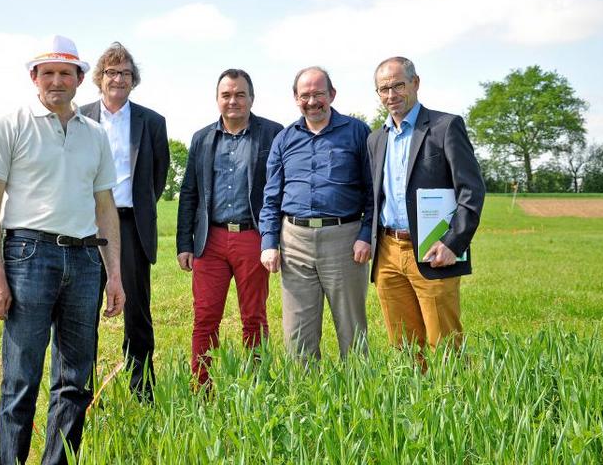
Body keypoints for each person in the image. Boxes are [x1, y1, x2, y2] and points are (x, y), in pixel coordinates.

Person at [0, 35, 125, 465]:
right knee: (21, 380)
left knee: (75, 380)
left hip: (83, 261)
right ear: (34, 77)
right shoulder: (11, 125)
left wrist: (113, 274)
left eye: (65, 72)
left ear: (80, 79)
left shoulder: (95, 135)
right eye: (48, 73)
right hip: (28, 256)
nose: (56, 81)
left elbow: (105, 208)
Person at [367, 56, 485, 360]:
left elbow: (471, 191)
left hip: (434, 251)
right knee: (404, 347)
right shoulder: (375, 139)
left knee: (445, 346)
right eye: (383, 89)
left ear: (415, 83)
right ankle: (415, 404)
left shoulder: (445, 127)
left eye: (398, 86)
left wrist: (452, 243)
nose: (391, 95)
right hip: (388, 254)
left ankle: (455, 402)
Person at [176, 69, 283, 387]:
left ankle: (258, 385)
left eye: (240, 94)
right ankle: (202, 387)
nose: (233, 101)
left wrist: (272, 238)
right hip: (210, 240)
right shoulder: (202, 138)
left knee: (254, 316)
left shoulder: (272, 133)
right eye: (227, 95)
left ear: (252, 97)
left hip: (252, 236)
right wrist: (185, 242)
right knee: (205, 316)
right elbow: (189, 193)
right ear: (217, 99)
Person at [259, 66, 373, 361]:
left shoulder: (357, 132)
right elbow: (271, 196)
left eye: (319, 94)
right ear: (296, 98)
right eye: (305, 95)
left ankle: (361, 398)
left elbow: (374, 191)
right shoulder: (284, 139)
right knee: (298, 336)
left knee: (352, 331)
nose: (312, 101)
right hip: (294, 241)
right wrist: (269, 243)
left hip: (344, 240)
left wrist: (366, 234)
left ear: (332, 94)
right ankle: (308, 399)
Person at [81, 42, 169, 402]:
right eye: (112, 72)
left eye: (126, 73)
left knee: (136, 313)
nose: (118, 78)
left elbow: (158, 177)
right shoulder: (79, 116)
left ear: (135, 81)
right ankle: (79, 392)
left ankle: (142, 389)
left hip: (131, 226)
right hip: (85, 228)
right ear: (99, 78)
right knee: (82, 311)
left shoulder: (152, 122)